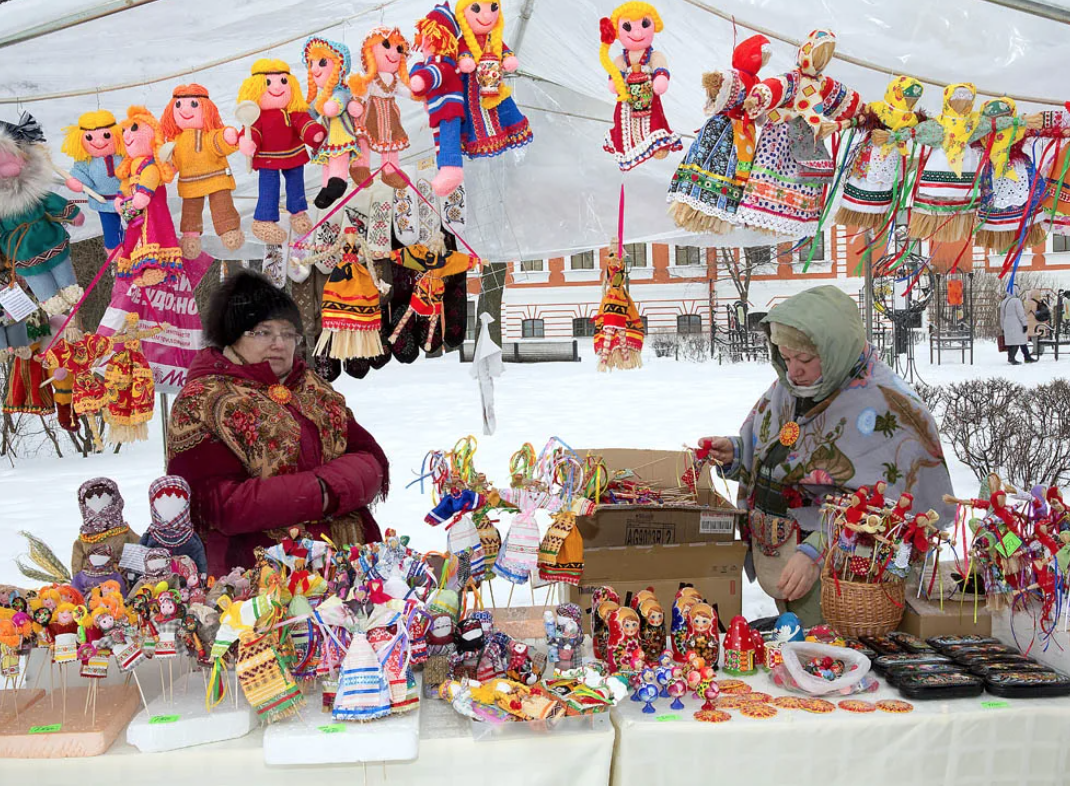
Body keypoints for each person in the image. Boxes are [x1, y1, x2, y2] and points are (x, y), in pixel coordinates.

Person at [699, 285, 954, 626]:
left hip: (846, 575)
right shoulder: (793, 387)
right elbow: (777, 446)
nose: (793, 371)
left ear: (835, 350)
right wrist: (736, 451)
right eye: (785, 358)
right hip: (784, 556)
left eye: (804, 359)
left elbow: (891, 507)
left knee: (833, 658)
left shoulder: (886, 405)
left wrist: (817, 550)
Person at [166, 270, 388, 575]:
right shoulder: (202, 400)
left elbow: (372, 460)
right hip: (259, 581)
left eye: (287, 333)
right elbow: (215, 505)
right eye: (262, 332)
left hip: (352, 567)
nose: (279, 343)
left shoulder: (313, 387)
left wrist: (328, 487)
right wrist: (322, 491)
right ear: (232, 336)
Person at [999, 284, 1036, 365]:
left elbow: (1001, 316)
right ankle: (1012, 358)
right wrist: (1025, 324)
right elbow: (1021, 314)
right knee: (1017, 341)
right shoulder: (1016, 300)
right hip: (1016, 324)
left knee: (1015, 341)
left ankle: (1026, 356)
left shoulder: (1004, 302)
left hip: (1007, 323)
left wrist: (1002, 326)